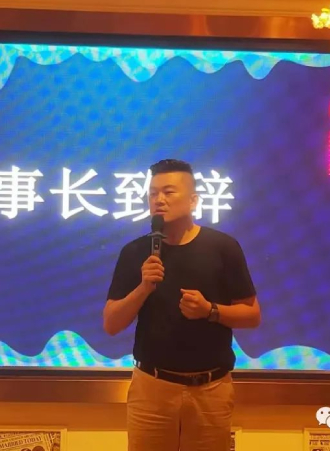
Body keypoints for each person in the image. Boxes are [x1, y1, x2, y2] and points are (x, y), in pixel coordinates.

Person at [103, 159, 261, 451]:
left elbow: (252, 315)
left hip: (211, 390)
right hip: (151, 389)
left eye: (168, 192)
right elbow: (111, 323)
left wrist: (210, 311)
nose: (159, 200)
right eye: (153, 193)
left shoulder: (223, 247)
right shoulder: (135, 252)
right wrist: (143, 288)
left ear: (193, 200)